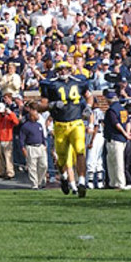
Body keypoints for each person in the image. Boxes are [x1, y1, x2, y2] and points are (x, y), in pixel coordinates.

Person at [40, 61, 92, 197]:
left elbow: (89, 96)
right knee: (62, 158)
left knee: (80, 151)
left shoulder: (80, 81)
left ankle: (81, 182)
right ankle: (64, 178)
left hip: (77, 123)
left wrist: (89, 106)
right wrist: (52, 105)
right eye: (60, 69)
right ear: (57, 71)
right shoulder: (50, 84)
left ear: (70, 69)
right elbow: (41, 107)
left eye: (66, 69)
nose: (63, 71)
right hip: (60, 125)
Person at [103, 90, 131, 190]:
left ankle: (119, 183)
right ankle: (114, 183)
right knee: (115, 161)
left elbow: (116, 124)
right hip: (122, 138)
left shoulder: (111, 110)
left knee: (116, 162)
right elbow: (128, 121)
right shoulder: (122, 109)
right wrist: (127, 134)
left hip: (114, 138)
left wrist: (125, 133)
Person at [20, 102, 48, 189]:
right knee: (32, 167)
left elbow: (42, 136)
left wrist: (44, 145)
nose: (38, 116)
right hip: (31, 147)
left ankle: (40, 181)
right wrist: (23, 148)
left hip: (40, 147)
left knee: (44, 165)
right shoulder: (25, 126)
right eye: (36, 115)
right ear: (32, 116)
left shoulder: (39, 125)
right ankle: (34, 184)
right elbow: (22, 139)